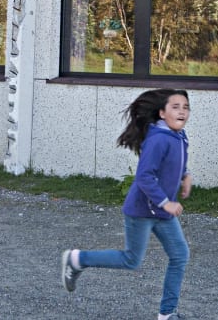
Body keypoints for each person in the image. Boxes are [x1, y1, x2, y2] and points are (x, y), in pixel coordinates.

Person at [61, 89, 193, 320]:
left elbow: (175, 162)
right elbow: (144, 177)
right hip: (142, 211)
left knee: (180, 254)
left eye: (185, 107)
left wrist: (186, 175)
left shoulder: (179, 136)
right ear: (162, 113)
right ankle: (77, 259)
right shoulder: (159, 139)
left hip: (161, 212)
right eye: (175, 107)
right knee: (131, 260)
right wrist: (166, 203)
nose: (182, 111)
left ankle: (167, 314)